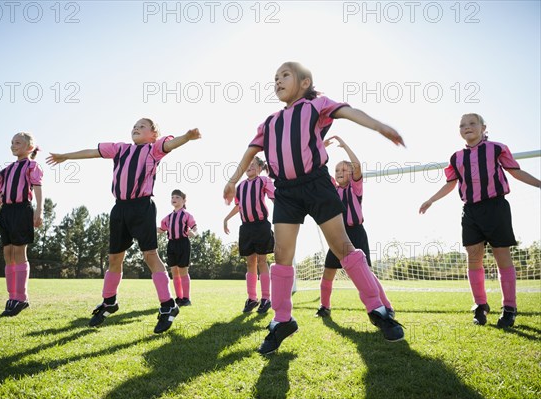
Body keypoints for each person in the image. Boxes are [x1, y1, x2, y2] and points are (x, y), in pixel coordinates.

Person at [224, 62, 405, 355]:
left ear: (305, 83)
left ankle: (377, 308)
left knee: (343, 246)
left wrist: (379, 126)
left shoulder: (316, 106)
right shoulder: (269, 122)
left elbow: (350, 112)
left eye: (285, 75)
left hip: (317, 184)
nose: (278, 80)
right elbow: (250, 152)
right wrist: (232, 180)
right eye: (275, 78)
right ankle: (282, 319)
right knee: (282, 253)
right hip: (285, 191)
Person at [46, 118, 200, 333]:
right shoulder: (120, 149)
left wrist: (187, 137)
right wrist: (65, 156)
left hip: (142, 207)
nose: (136, 128)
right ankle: (109, 301)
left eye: (142, 127)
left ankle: (168, 306)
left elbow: (170, 144)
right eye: (134, 126)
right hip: (120, 209)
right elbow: (92, 152)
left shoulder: (153, 149)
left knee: (150, 255)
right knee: (114, 258)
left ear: (153, 134)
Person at [419, 113, 540, 328]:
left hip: (496, 207)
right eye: (462, 125)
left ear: (483, 127)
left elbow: (516, 172)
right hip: (471, 211)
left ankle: (509, 307)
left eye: (472, 123)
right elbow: (450, 183)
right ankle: (480, 305)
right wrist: (431, 200)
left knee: (501, 256)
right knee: (473, 257)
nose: (467, 127)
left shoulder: (496, 148)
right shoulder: (456, 157)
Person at [316, 136, 394, 319]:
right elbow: (318, 169)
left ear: (351, 174)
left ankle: (387, 307)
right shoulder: (332, 189)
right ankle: (324, 306)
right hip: (338, 235)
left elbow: (357, 165)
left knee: (367, 274)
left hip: (356, 233)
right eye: (337, 170)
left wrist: (345, 146)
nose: (339, 172)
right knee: (328, 272)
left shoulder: (355, 188)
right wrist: (319, 147)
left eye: (344, 169)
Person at [0, 132, 43, 317]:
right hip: (7, 212)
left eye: (18, 143)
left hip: (22, 210)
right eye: (12, 143)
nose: (13, 146)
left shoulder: (32, 166)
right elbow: (1, 197)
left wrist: (39, 211)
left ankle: (21, 298)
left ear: (29, 148)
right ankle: (12, 297)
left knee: (19, 252)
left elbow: (37, 188)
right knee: (8, 253)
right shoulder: (6, 171)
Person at [223, 156, 275, 314]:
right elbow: (238, 206)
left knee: (261, 260)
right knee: (250, 262)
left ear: (260, 168)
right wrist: (226, 219)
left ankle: (266, 298)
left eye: (253, 165)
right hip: (246, 228)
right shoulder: (240, 186)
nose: (249, 167)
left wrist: (284, 216)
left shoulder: (264, 181)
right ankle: (252, 298)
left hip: (261, 226)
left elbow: (275, 198)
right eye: (247, 164)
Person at [158, 189, 198, 307]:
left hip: (183, 243)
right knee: (174, 271)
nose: (174, 199)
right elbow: (161, 230)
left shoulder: (187, 215)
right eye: (172, 197)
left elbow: (195, 228)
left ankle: (186, 298)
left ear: (184, 200)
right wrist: (148, 228)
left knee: (183, 270)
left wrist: (193, 233)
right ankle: (179, 298)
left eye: (177, 197)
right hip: (171, 244)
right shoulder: (168, 217)